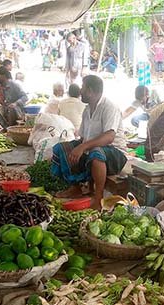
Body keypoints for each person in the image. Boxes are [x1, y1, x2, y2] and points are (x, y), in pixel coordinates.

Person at [50, 75, 127, 210]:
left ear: (90, 91)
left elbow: (109, 137)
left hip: (115, 153)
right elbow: (84, 137)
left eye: (83, 88)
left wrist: (83, 147)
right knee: (61, 148)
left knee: (96, 153)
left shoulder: (109, 107)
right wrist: (76, 147)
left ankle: (98, 198)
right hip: (93, 148)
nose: (80, 91)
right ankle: (75, 187)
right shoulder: (87, 110)